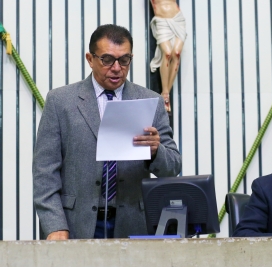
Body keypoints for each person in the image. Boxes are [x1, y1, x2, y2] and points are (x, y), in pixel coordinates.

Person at [33, 24, 182, 240]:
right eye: (107, 59)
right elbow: (44, 173)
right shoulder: (60, 101)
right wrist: (54, 225)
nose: (116, 67)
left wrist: (156, 151)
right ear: (90, 59)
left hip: (132, 224)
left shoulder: (151, 102)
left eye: (124, 60)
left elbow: (173, 168)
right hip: (74, 224)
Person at [149, 0, 187, 114]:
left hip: (178, 19)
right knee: (168, 53)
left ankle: (166, 94)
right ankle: (165, 93)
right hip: (162, 21)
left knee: (177, 53)